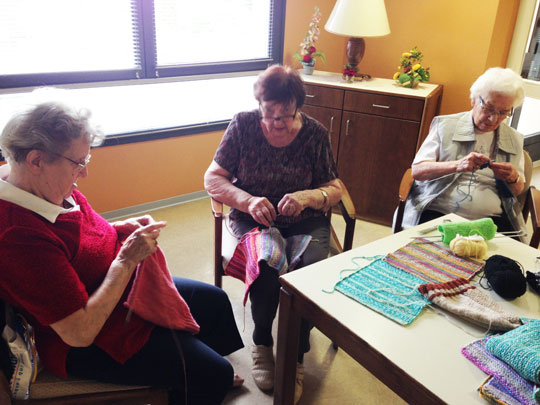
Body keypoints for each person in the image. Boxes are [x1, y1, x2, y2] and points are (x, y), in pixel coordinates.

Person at [0, 100, 244, 404]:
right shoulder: (18, 235)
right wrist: (127, 260)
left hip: (118, 289)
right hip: (88, 336)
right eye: (78, 162)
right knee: (214, 374)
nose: (84, 173)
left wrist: (118, 228)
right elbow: (79, 333)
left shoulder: (41, 185)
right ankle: (199, 377)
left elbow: (77, 235)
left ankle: (187, 376)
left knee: (215, 302)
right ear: (36, 160)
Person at [204, 64, 342, 403]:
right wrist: (248, 201)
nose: (277, 122)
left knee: (309, 273)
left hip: (305, 220)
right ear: (259, 104)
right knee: (266, 266)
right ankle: (262, 343)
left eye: (285, 115)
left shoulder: (315, 133)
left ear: (298, 106)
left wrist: (308, 196)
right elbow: (213, 178)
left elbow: (335, 188)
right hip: (254, 219)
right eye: (269, 113)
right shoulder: (243, 125)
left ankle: (296, 354)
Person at [398, 67, 526, 236]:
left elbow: (517, 190)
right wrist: (457, 165)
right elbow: (418, 170)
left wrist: (513, 178)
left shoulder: (514, 139)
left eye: (503, 112)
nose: (494, 118)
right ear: (473, 99)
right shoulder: (444, 126)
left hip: (490, 222)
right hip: (439, 214)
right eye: (488, 108)